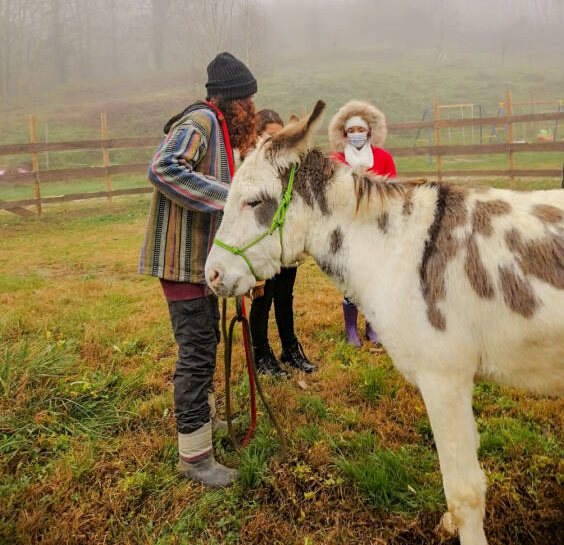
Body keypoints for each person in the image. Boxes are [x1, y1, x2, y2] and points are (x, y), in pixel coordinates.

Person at [139, 52, 258, 488]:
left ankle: (203, 427)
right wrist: (232, 196)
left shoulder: (218, 130)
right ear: (233, 100)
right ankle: (194, 458)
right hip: (182, 262)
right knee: (195, 357)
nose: (252, 110)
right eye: (248, 101)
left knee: (206, 343)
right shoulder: (201, 122)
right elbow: (163, 167)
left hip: (202, 265)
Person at [248, 109, 317, 377]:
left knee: (285, 296)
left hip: (286, 243)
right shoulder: (250, 166)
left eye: (280, 137)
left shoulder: (286, 163)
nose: (276, 142)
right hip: (264, 244)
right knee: (263, 299)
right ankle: (261, 355)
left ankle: (290, 349)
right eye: (269, 136)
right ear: (257, 136)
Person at [328, 99, 396, 348]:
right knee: (352, 277)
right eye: (352, 131)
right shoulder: (337, 159)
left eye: (361, 130)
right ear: (344, 134)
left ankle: (372, 326)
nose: (357, 135)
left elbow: (392, 190)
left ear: (370, 132)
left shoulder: (383, 158)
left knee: (374, 277)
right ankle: (351, 330)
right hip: (349, 227)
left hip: (376, 225)